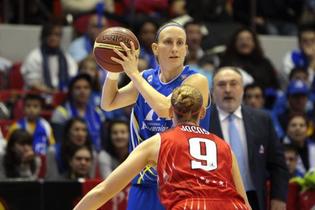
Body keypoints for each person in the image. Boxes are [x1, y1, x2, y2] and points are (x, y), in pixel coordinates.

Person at [74, 85, 251, 210]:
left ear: (170, 112)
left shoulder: (157, 142)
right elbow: (243, 200)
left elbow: (103, 191)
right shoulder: (224, 146)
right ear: (203, 112)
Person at [101, 22, 210, 210]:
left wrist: (134, 74)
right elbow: (108, 103)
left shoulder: (197, 80)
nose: (174, 48)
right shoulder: (146, 78)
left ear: (185, 49)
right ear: (155, 48)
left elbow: (165, 108)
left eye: (179, 43)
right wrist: (113, 70)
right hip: (144, 182)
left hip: (184, 184)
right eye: (168, 42)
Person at [209, 67, 289, 210]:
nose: (228, 89)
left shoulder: (262, 120)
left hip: (254, 198)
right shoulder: (204, 122)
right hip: (217, 200)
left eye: (233, 84)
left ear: (242, 89)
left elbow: (277, 165)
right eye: (221, 85)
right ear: (212, 92)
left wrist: (279, 198)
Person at [21, 20, 78, 93]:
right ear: (43, 36)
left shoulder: (67, 58)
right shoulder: (34, 57)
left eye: (57, 35)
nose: (53, 38)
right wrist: (51, 92)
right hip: (38, 97)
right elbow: (33, 83)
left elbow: (72, 79)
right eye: (50, 34)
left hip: (62, 96)